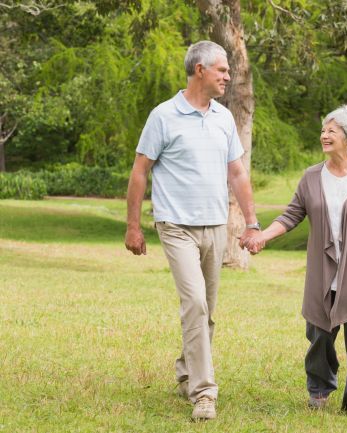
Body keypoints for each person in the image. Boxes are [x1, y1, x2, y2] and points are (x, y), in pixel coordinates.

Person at [124, 40, 261, 421]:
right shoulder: (163, 116)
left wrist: (251, 222)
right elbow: (140, 171)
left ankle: (186, 372)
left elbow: (237, 172)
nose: (228, 77)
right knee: (196, 304)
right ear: (199, 69)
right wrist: (133, 227)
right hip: (175, 225)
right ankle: (204, 392)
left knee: (207, 309)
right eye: (222, 70)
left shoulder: (223, 118)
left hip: (215, 225)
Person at [242, 105, 347, 418]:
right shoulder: (312, 177)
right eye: (324, 130)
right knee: (318, 336)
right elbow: (292, 215)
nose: (324, 136)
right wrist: (262, 237)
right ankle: (320, 387)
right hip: (321, 275)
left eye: (332, 131)